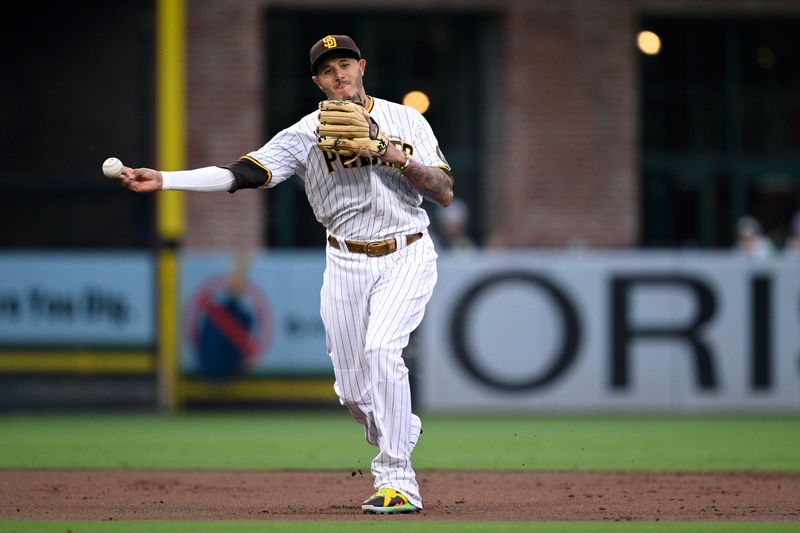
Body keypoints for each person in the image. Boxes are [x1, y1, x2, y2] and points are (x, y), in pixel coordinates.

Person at [112, 34, 453, 515]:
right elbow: (242, 173)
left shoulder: (407, 119)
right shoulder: (303, 134)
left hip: (407, 251)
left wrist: (397, 155)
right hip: (345, 261)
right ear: (318, 81)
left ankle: (398, 479)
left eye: (346, 64)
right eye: (329, 69)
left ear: (363, 67)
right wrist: (167, 179)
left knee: (381, 350)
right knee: (354, 393)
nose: (340, 75)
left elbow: (443, 192)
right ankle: (400, 428)